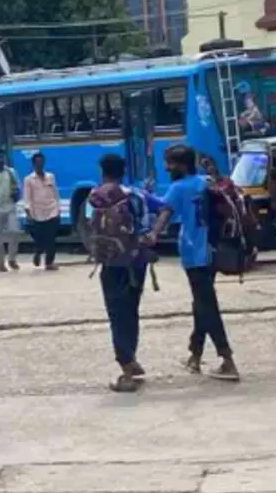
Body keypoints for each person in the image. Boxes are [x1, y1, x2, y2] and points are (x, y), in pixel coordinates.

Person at [145, 144, 240, 381]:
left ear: (181, 165)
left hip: (193, 252)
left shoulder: (178, 188)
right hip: (212, 250)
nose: (166, 168)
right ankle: (194, 355)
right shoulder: (205, 182)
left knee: (207, 305)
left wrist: (152, 235)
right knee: (202, 303)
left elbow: (164, 213)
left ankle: (226, 359)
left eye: (169, 163)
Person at [89, 154, 152, 392]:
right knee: (132, 310)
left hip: (111, 263)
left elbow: (89, 227)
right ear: (124, 171)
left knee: (117, 315)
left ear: (103, 171)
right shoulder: (136, 195)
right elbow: (146, 226)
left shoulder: (95, 196)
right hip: (136, 263)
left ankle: (126, 370)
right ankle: (131, 358)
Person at [22, 152, 61, 270]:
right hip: (37, 213)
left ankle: (49, 262)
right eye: (38, 163)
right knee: (40, 238)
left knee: (51, 238)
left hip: (52, 210)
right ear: (34, 164)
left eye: (42, 162)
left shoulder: (50, 176)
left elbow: (56, 193)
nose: (40, 165)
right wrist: (28, 212)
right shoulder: (29, 179)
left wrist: (58, 208)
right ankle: (38, 252)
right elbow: (27, 197)